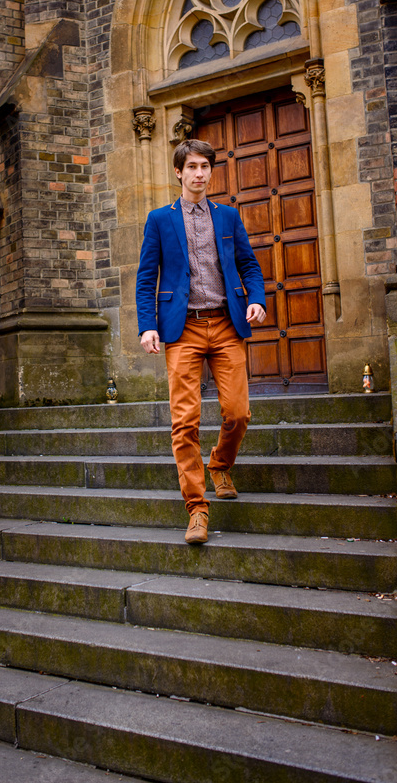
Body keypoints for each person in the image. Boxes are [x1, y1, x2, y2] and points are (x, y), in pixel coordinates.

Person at [136, 138, 266, 544]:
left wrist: (257, 299)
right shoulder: (159, 220)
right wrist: (147, 325)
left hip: (226, 324)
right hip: (183, 328)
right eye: (191, 166)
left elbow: (248, 263)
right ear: (179, 172)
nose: (198, 173)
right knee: (184, 422)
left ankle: (220, 463)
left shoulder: (227, 216)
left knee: (238, 412)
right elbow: (146, 276)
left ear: (211, 171)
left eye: (204, 167)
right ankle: (196, 508)